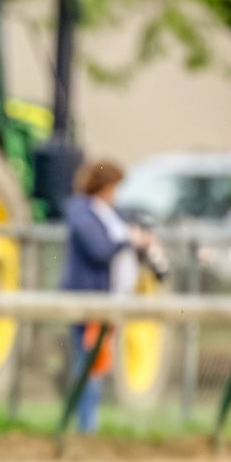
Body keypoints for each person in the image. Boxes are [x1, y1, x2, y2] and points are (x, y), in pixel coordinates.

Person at [59, 159, 156, 434]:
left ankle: (87, 424)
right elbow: (100, 249)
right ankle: (84, 425)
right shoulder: (81, 211)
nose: (116, 194)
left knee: (95, 362)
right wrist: (130, 240)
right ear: (103, 186)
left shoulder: (108, 213)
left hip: (105, 300)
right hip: (86, 301)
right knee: (87, 362)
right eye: (114, 187)